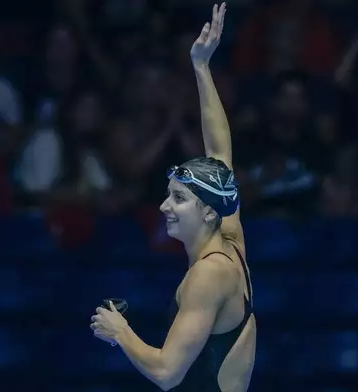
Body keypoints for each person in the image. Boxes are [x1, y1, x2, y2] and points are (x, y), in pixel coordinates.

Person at [90, 4, 256, 391]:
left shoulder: (208, 275)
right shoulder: (231, 237)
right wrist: (201, 67)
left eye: (179, 199)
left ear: (208, 211)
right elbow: (219, 153)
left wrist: (120, 332)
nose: (165, 206)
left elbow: (167, 373)